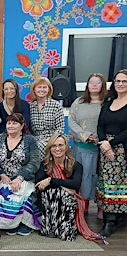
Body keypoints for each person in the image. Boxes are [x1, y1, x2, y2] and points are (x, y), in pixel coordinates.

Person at [35, 133, 100, 242]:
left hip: (69, 201)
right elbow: (39, 184)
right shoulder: (45, 164)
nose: (57, 149)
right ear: (50, 148)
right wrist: (63, 186)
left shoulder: (76, 165)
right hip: (49, 201)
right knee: (56, 193)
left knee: (65, 196)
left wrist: (51, 180)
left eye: (60, 145)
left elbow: (75, 185)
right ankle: (54, 227)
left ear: (66, 146)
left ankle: (63, 228)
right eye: (54, 146)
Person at [0, 113, 41, 235]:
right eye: (9, 123)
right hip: (3, 178)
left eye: (14, 123)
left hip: (24, 178)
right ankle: (9, 224)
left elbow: (34, 162)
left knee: (23, 190)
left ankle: (24, 223)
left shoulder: (30, 140)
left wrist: (20, 177)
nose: (11, 126)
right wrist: (1, 174)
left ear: (22, 125)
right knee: (4, 191)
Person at [68, 73, 107, 213]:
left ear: (103, 85)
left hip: (102, 147)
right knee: (82, 177)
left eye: (98, 82)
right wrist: (85, 135)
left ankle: (102, 209)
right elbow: (71, 121)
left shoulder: (108, 103)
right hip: (81, 147)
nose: (94, 85)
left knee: (99, 178)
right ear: (87, 85)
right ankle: (81, 207)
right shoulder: (78, 102)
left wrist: (96, 138)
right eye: (91, 82)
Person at [96, 69, 127, 237]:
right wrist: (103, 144)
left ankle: (115, 220)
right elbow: (100, 125)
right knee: (106, 185)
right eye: (118, 81)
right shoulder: (108, 103)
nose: (120, 84)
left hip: (122, 149)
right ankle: (109, 220)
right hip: (105, 149)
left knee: (119, 186)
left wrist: (111, 144)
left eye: (124, 81)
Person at [29, 77, 64, 152]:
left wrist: (51, 139)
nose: (42, 90)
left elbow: (60, 128)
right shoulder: (30, 106)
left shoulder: (56, 105)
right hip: (34, 139)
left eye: (44, 87)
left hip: (53, 139)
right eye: (39, 87)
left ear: (49, 90)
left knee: (39, 149)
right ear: (34, 89)